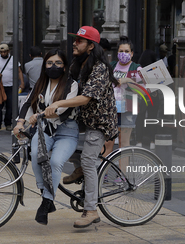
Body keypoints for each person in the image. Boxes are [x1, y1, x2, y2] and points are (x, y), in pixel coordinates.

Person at [44, 26, 118, 228]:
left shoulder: (99, 67)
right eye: (75, 40)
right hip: (83, 120)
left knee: (88, 160)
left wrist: (58, 104)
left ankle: (91, 210)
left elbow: (85, 98)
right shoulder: (80, 64)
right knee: (65, 139)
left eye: (79, 41)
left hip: (100, 122)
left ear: (90, 46)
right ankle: (80, 168)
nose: (74, 43)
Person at [13, 49, 79, 225]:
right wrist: (20, 123)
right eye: (49, 63)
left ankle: (46, 202)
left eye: (58, 63)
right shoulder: (40, 83)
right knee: (35, 155)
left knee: (56, 162)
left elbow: (61, 111)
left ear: (64, 67)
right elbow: (28, 102)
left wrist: (39, 115)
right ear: (44, 66)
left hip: (67, 131)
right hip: (45, 131)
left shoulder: (72, 85)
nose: (53, 66)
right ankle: (45, 191)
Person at [103, 36, 142, 157]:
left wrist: (127, 80)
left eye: (126, 51)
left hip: (128, 110)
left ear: (132, 53)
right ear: (117, 52)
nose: (123, 54)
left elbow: (143, 89)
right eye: (121, 51)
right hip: (111, 108)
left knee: (123, 143)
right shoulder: (112, 66)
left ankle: (122, 175)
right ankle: (102, 173)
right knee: (107, 142)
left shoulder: (137, 68)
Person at [0, 44, 24, 131]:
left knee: (10, 106)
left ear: (8, 51)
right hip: (0, 87)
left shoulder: (13, 59)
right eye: (1, 52)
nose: (3, 53)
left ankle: (8, 123)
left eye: (4, 52)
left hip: (11, 86)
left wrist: (22, 83)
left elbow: (19, 71)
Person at [135, 49, 160, 149]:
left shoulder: (138, 69)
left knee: (140, 118)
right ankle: (152, 141)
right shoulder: (156, 69)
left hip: (142, 96)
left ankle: (139, 141)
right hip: (154, 95)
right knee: (153, 118)